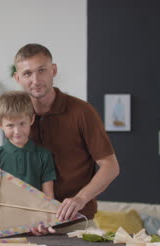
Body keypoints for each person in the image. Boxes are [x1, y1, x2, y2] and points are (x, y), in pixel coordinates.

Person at [13, 43, 120, 235]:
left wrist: (80, 199)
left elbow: (110, 166)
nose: (36, 80)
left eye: (42, 70)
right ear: (18, 78)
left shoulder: (82, 112)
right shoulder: (15, 118)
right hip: (31, 225)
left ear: (53, 70)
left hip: (77, 225)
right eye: (27, 73)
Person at [0, 91, 56, 198]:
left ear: (31, 119)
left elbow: (49, 196)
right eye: (10, 125)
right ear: (0, 124)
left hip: (35, 214)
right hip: (3, 214)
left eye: (22, 124)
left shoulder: (44, 156)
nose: (17, 131)